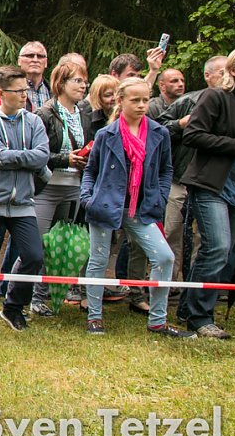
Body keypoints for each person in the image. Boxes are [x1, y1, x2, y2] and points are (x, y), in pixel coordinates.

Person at [80, 77, 193, 337]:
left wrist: (161, 197)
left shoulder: (159, 133)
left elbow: (166, 170)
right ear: (121, 101)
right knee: (98, 260)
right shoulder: (106, 134)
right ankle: (94, 317)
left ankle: (158, 321)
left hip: (142, 208)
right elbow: (91, 170)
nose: (142, 105)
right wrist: (87, 199)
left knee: (164, 257)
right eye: (136, 100)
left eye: (145, 100)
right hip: (105, 205)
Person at [0, 65, 49, 332]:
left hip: (23, 202)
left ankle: (13, 307)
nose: (25, 95)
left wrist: (14, 157)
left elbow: (42, 156)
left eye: (26, 89)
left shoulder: (34, 121)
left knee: (34, 255)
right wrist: (28, 157)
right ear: (2, 93)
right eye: (19, 91)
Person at [181, 46, 235, 339]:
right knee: (217, 248)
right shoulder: (216, 97)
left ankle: (189, 308)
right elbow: (192, 134)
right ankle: (200, 318)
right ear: (233, 70)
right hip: (213, 185)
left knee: (224, 254)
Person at [26, 60, 93, 317]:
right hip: (46, 187)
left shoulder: (84, 113)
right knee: (37, 245)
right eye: (77, 80)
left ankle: (42, 298)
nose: (83, 86)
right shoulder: (44, 114)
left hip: (74, 187)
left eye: (85, 81)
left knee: (58, 245)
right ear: (61, 83)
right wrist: (65, 159)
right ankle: (18, 293)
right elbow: (37, 153)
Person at [157, 55, 227, 289]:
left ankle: (197, 287)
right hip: (180, 178)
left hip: (215, 183)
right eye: (223, 72)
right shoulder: (189, 100)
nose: (228, 77)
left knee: (207, 239)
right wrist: (180, 124)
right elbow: (158, 129)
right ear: (208, 76)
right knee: (171, 232)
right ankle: (168, 286)